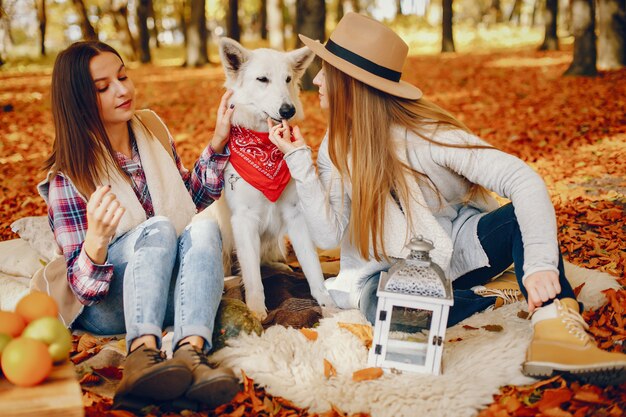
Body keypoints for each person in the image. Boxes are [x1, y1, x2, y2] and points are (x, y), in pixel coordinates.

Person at [267, 12, 626, 385]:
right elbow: (327, 236)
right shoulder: (335, 145)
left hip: (456, 254)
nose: (318, 79)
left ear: (351, 83)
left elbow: (523, 178)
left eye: (327, 69)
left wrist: (538, 266)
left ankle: (557, 334)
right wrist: (299, 162)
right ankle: (486, 300)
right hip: (384, 274)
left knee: (521, 219)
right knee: (386, 307)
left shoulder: (429, 136)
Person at [38, 41, 240, 406]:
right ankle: (141, 355)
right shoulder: (67, 175)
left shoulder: (150, 129)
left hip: (168, 287)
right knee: (159, 228)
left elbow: (190, 201)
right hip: (109, 305)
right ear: (79, 99)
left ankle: (190, 353)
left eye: (123, 76)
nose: (122, 89)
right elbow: (82, 290)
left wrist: (218, 139)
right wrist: (96, 241)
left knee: (206, 228)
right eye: (103, 87)